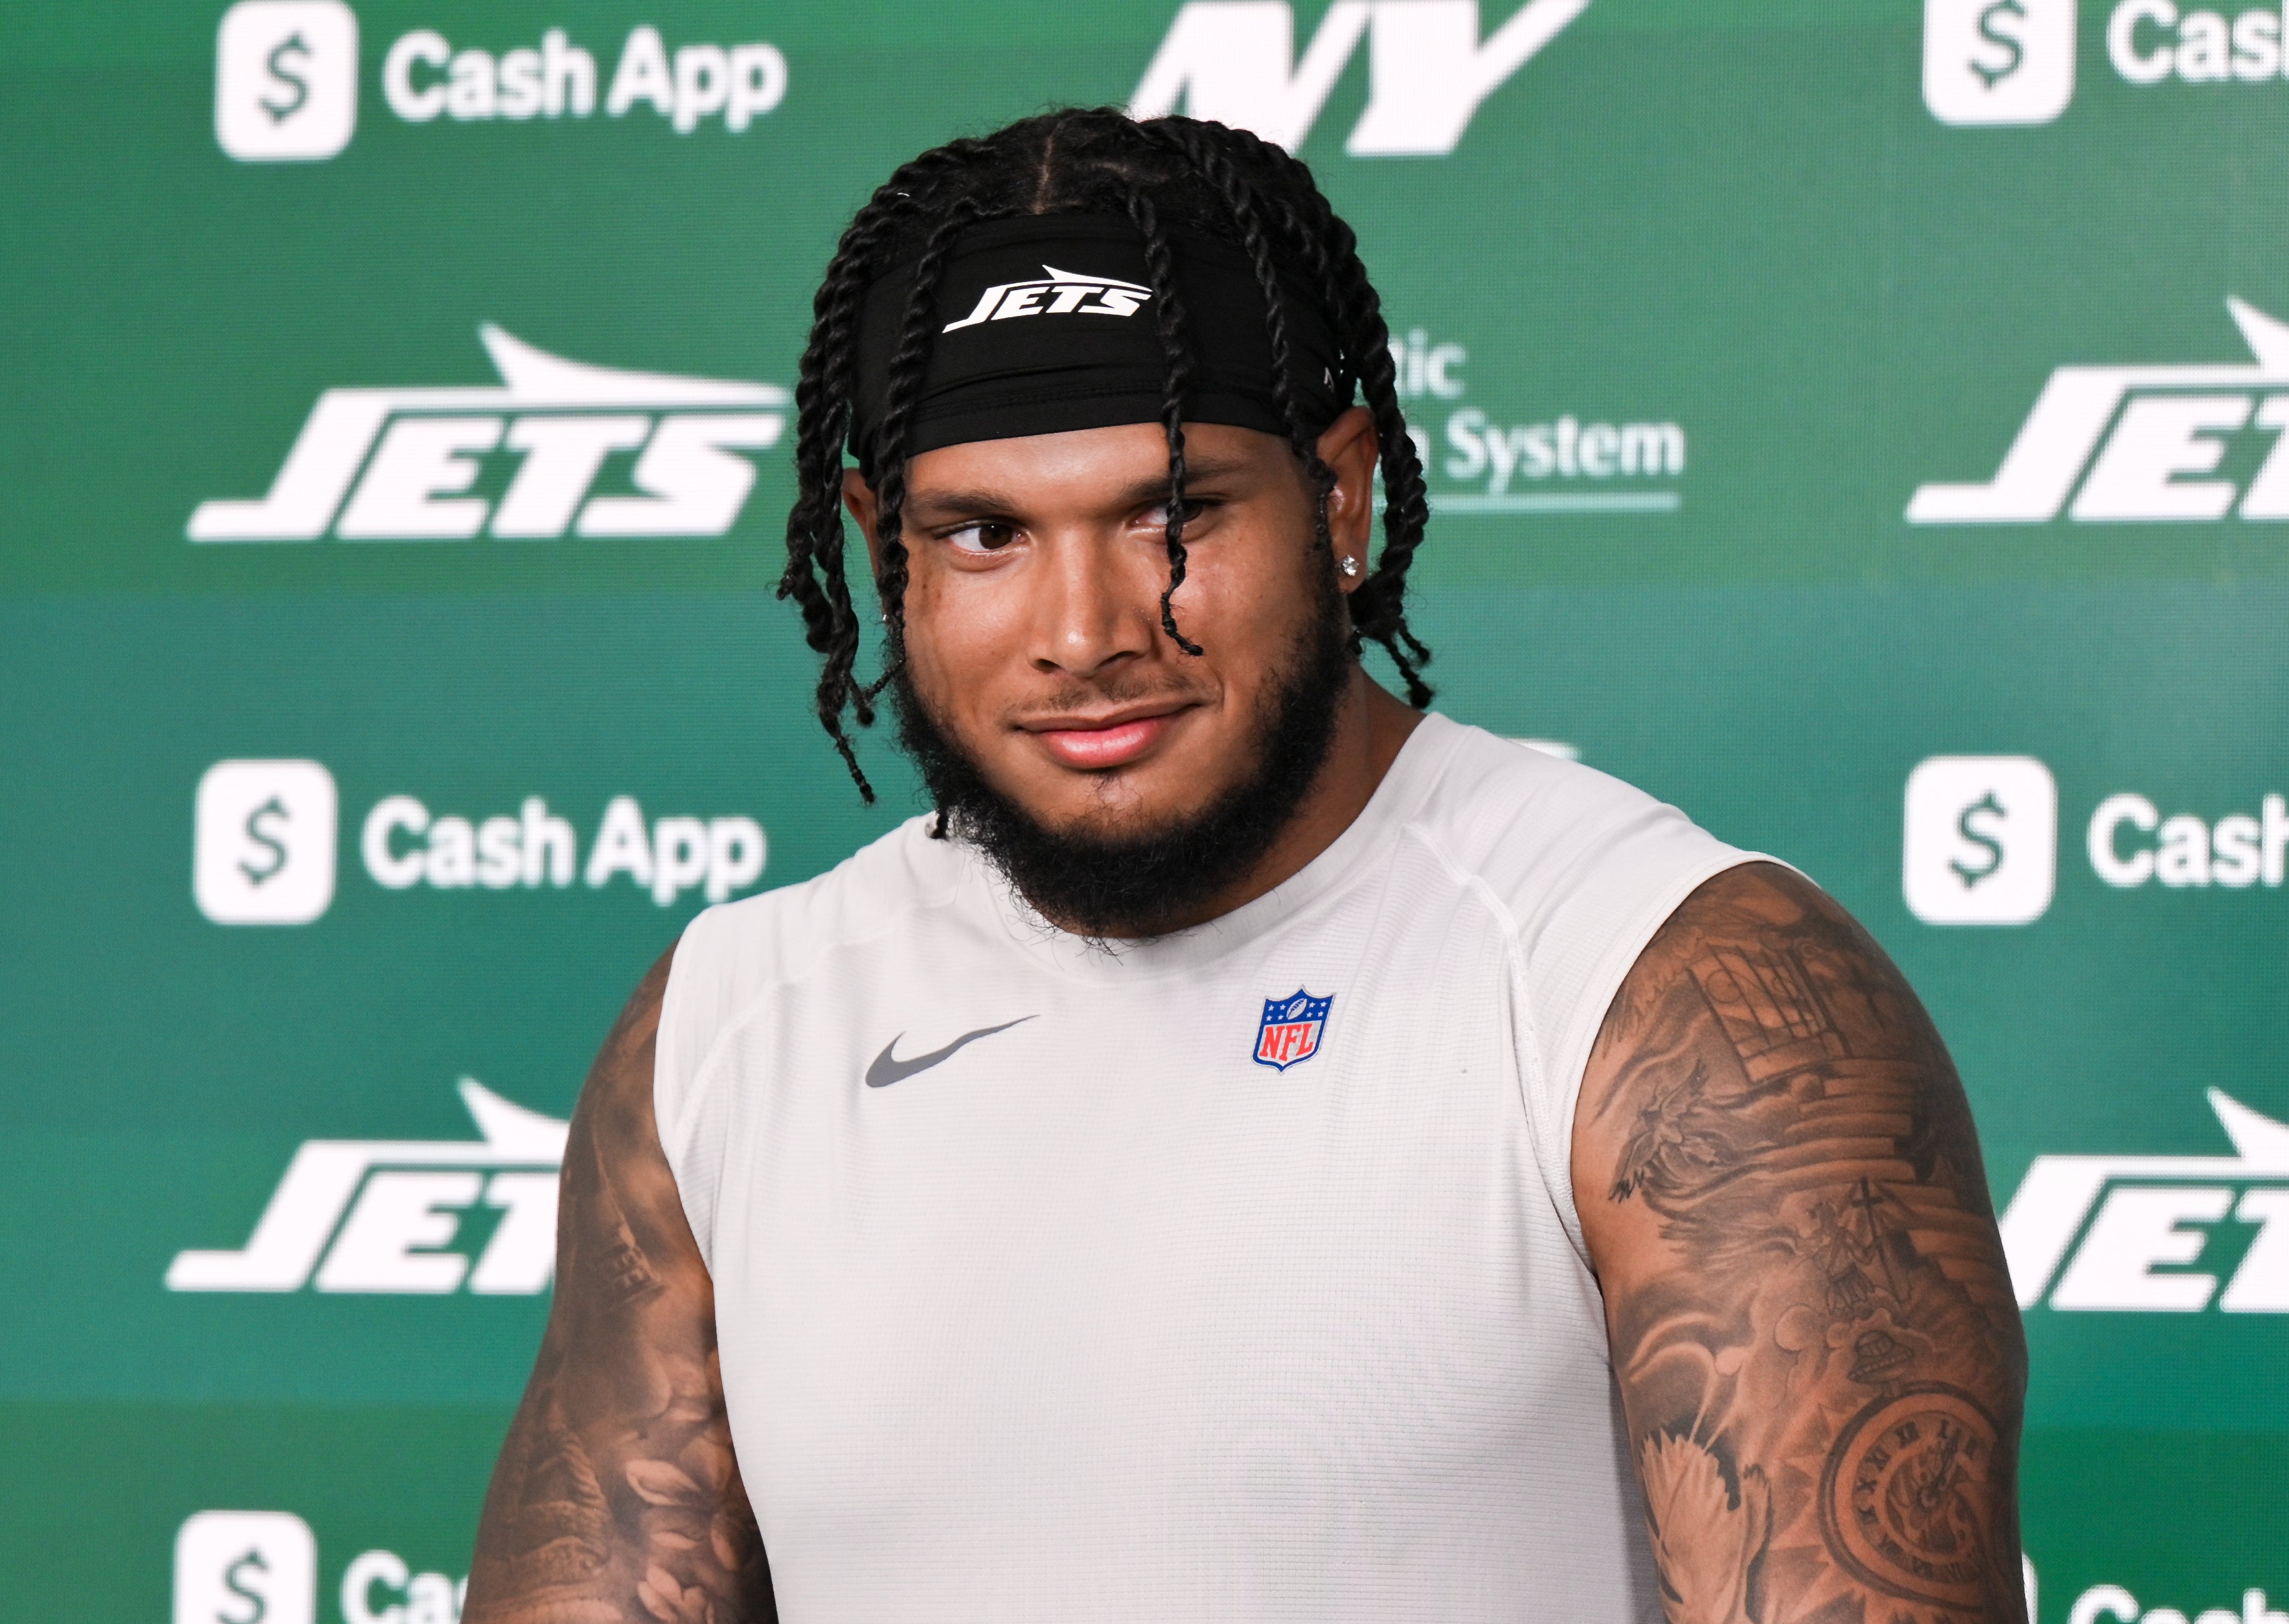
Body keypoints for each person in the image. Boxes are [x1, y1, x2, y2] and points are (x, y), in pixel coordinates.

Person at [460, 108, 2027, 1624]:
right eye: (985, 536)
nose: (1085, 633)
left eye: (1170, 514)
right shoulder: (732, 1027)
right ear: (882, 544)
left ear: (1336, 496)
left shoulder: (1667, 996)